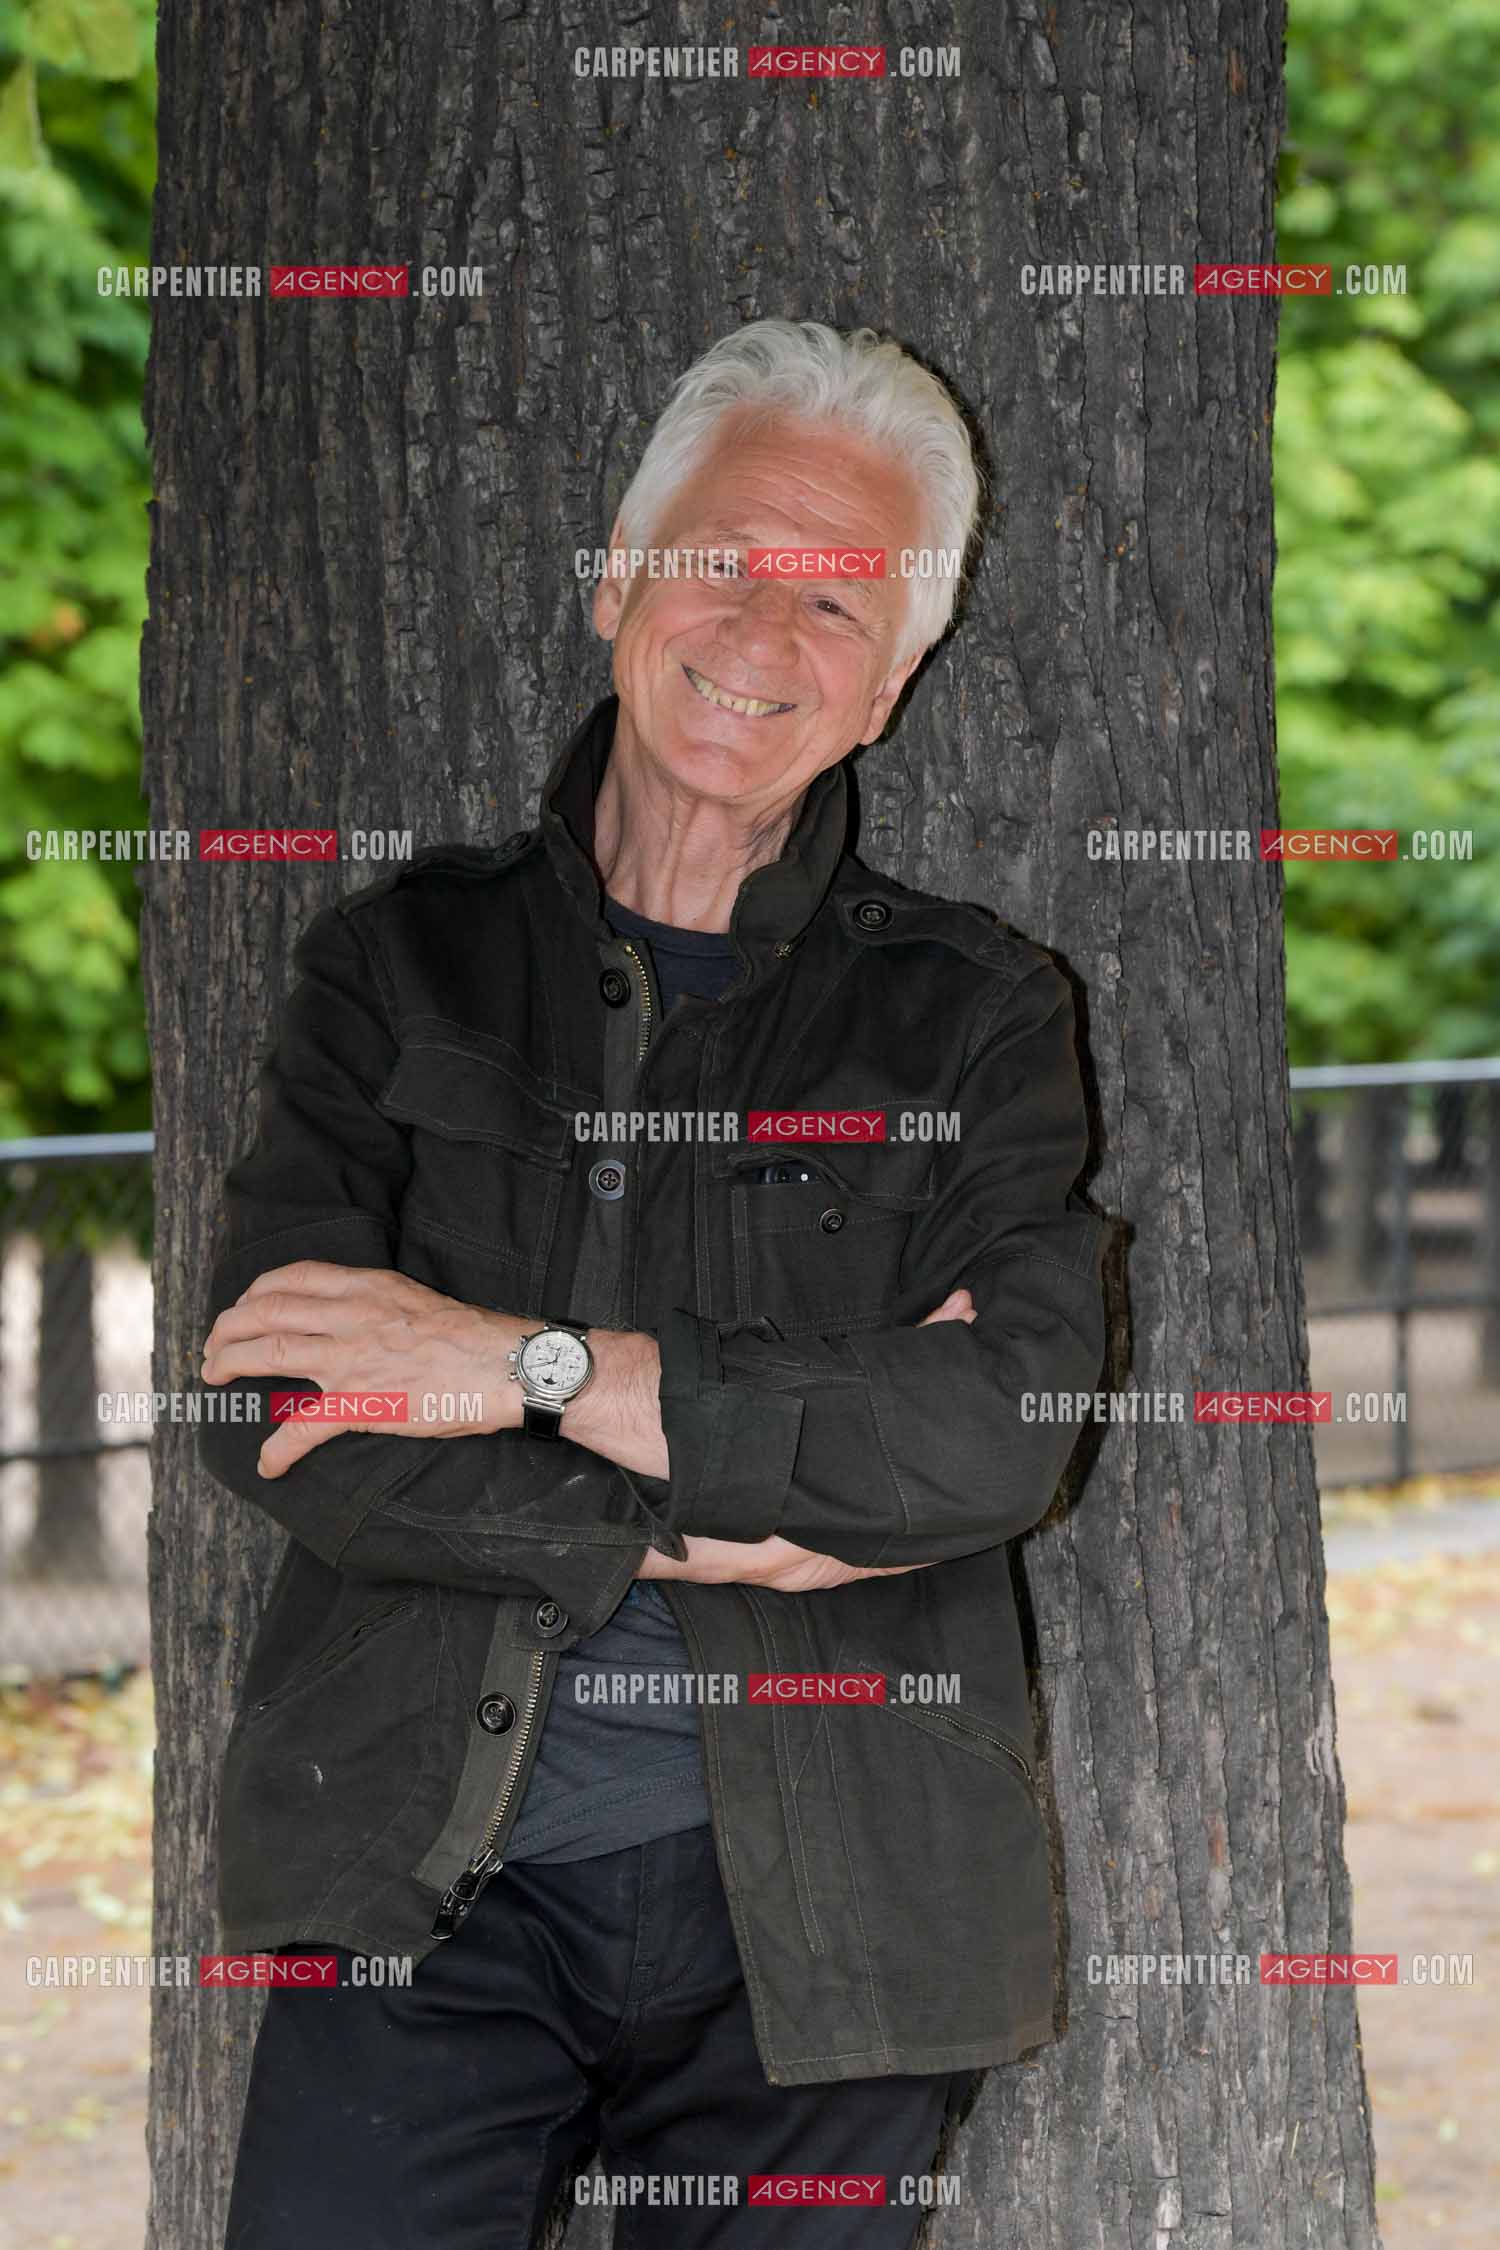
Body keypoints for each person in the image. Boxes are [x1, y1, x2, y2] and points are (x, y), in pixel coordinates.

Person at [200, 317, 1107, 2249]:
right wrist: (741, 1504)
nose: (763, 639)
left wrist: (512, 1360)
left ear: (896, 681)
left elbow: (989, 1429)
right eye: (725, 560)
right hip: (418, 1884)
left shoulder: (975, 1017)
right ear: (620, 567)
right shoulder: (395, 968)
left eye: (841, 607)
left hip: (838, 1902)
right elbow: (276, 1401)